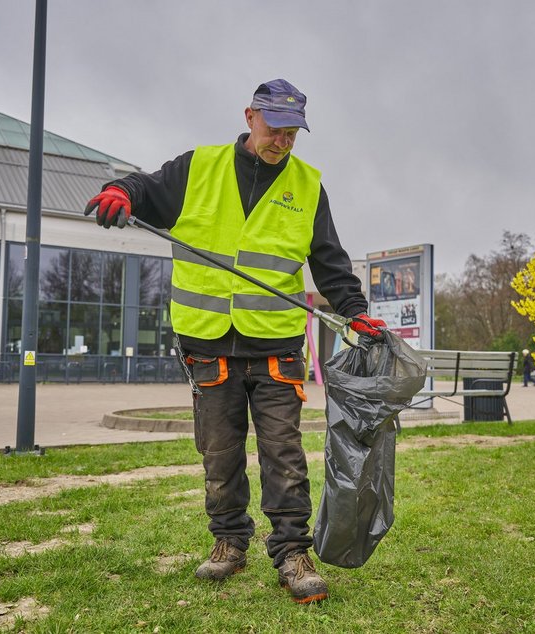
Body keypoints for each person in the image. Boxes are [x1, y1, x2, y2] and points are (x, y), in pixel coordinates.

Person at [83, 79, 385, 604]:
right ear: (251, 116)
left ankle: (292, 552)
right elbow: (144, 189)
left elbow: (330, 261)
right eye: (275, 129)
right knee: (219, 454)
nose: (283, 142)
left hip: (275, 345)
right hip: (208, 343)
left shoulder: (308, 186)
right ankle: (229, 541)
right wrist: (119, 194)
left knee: (283, 455)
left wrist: (355, 313)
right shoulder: (198, 167)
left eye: (293, 133)